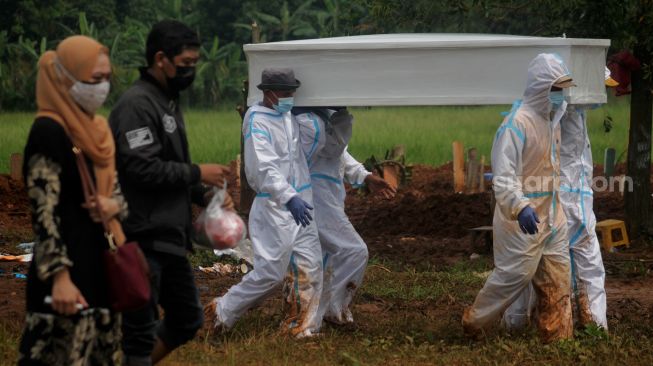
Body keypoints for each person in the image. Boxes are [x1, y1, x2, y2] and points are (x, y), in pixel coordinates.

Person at [109, 20, 231, 365]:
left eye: (195, 64)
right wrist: (197, 171)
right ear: (161, 58)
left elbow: (168, 165)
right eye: (185, 64)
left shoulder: (167, 102)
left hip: (169, 236)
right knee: (138, 333)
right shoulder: (137, 105)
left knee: (187, 318)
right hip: (140, 235)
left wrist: (205, 195)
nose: (190, 71)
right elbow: (141, 168)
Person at [18, 35, 126, 365]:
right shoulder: (48, 132)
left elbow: (117, 193)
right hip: (66, 277)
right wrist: (59, 278)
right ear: (64, 78)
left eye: (107, 79)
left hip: (101, 267)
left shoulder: (96, 131)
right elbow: (44, 213)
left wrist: (113, 205)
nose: (102, 88)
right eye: (94, 80)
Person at [462, 53, 575, 343]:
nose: (561, 96)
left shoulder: (553, 120)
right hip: (521, 218)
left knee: (559, 276)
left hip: (552, 213)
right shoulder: (516, 124)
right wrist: (520, 205)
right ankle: (475, 323)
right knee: (514, 276)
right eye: (556, 89)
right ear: (541, 87)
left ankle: (557, 338)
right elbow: (503, 177)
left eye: (563, 89)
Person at [205, 68, 323, 338]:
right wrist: (287, 196)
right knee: (271, 274)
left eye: (292, 92)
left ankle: (301, 327)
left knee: (311, 264)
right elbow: (263, 167)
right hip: (275, 207)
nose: (290, 97)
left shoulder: (287, 116)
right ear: (268, 93)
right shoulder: (257, 119)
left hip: (301, 205)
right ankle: (221, 311)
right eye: (285, 93)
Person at [503, 67, 619, 331]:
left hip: (556, 195)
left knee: (531, 261)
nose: (604, 95)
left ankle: (518, 323)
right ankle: (593, 325)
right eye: (602, 88)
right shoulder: (560, 110)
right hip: (566, 196)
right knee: (584, 263)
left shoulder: (557, 109)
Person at [292, 107, 396, 324]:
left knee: (321, 259)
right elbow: (334, 148)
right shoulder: (308, 126)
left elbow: (340, 154)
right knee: (354, 251)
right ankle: (328, 309)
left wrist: (365, 176)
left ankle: (312, 311)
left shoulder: (323, 126)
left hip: (327, 200)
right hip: (316, 200)